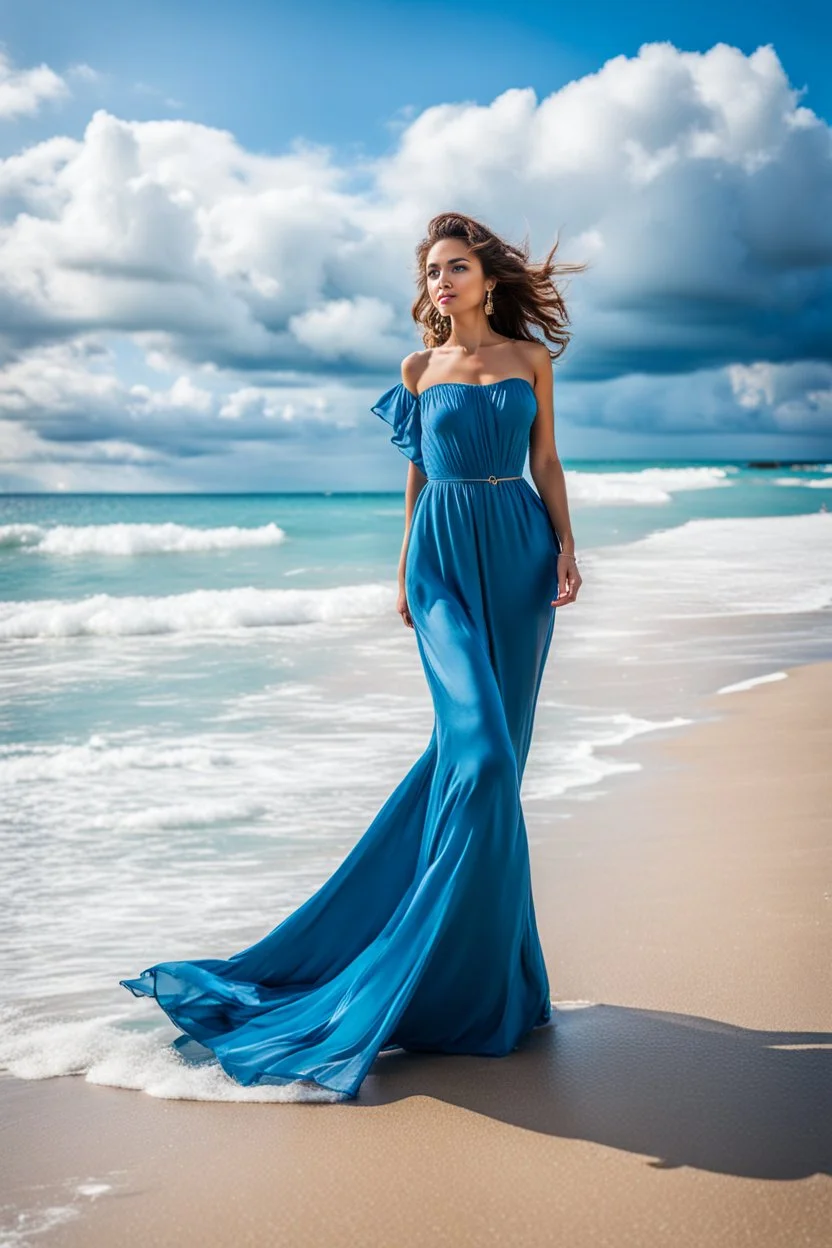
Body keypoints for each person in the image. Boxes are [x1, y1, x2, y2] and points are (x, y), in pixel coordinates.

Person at [120, 211, 584, 1100]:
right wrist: (405, 569)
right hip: (443, 561)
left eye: (457, 268)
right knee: (478, 753)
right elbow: (416, 480)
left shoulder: (532, 362)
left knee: (490, 767)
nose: (442, 283)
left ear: (487, 279)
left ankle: (493, 984)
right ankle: (416, 975)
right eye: (433, 272)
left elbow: (548, 461)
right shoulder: (418, 370)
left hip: (521, 557)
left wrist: (566, 546)